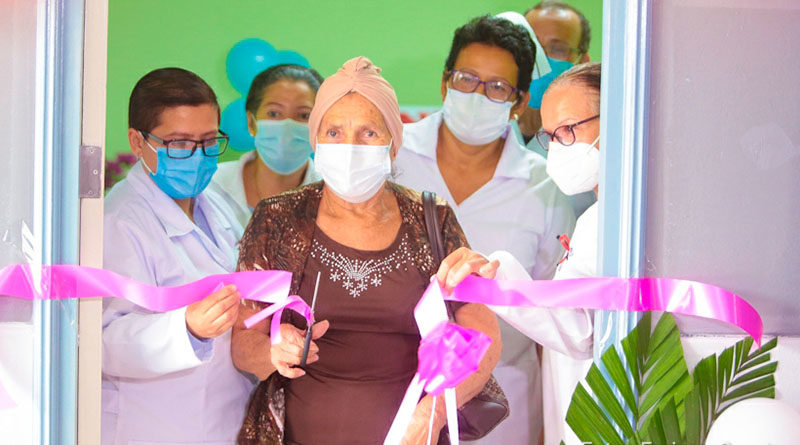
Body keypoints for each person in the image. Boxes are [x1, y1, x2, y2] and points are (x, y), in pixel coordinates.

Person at [231, 56, 502, 445]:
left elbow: (482, 334)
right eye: (335, 132)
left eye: (369, 133)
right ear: (316, 141)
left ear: (393, 146)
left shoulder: (431, 218)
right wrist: (273, 349)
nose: (350, 147)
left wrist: (433, 414)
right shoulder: (278, 218)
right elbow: (243, 342)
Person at [392, 15, 584, 444]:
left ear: (518, 102)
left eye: (497, 87)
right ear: (444, 83)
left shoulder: (545, 186)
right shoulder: (395, 157)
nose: (478, 95)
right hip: (396, 388)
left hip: (504, 402)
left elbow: (555, 314)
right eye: (466, 79)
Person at [102, 68, 254, 445]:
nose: (198, 156)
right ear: (138, 142)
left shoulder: (215, 202)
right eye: (179, 144)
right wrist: (186, 328)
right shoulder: (118, 221)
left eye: (208, 141)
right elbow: (102, 341)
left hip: (225, 420)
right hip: (156, 428)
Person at [536, 62, 601, 445]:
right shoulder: (594, 218)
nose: (559, 146)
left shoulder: (622, 221)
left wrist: (500, 281)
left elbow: (578, 333)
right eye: (550, 135)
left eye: (569, 130)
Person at [210, 64, 323, 227]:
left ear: (320, 126)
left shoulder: (334, 199)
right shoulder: (212, 185)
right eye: (274, 113)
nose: (287, 126)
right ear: (251, 123)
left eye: (304, 115)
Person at [519, 1, 592, 145]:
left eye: (558, 49)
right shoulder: (486, 120)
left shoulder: (591, 136)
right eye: (531, 44)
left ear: (582, 63)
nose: (540, 56)